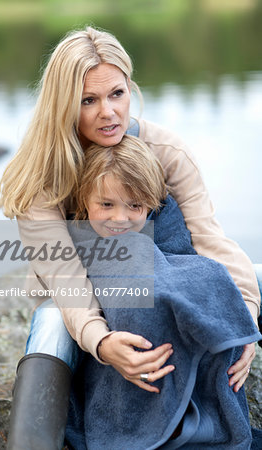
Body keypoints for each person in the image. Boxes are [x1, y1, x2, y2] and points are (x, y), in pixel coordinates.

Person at [0, 26, 261, 449]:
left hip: (158, 271)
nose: (109, 113)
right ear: (64, 104)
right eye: (89, 100)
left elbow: (210, 240)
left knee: (253, 276)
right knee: (50, 323)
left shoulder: (165, 150)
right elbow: (65, 278)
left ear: (130, 88)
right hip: (79, 292)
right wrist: (101, 342)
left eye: (116, 94)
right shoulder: (41, 177)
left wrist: (242, 319)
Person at [64, 135, 261, 449]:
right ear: (84, 202)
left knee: (210, 274)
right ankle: (152, 422)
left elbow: (189, 261)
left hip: (169, 315)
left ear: (151, 204)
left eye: (134, 206)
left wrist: (242, 316)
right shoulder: (78, 240)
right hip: (118, 354)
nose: (120, 218)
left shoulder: (166, 220)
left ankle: (190, 410)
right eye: (106, 205)